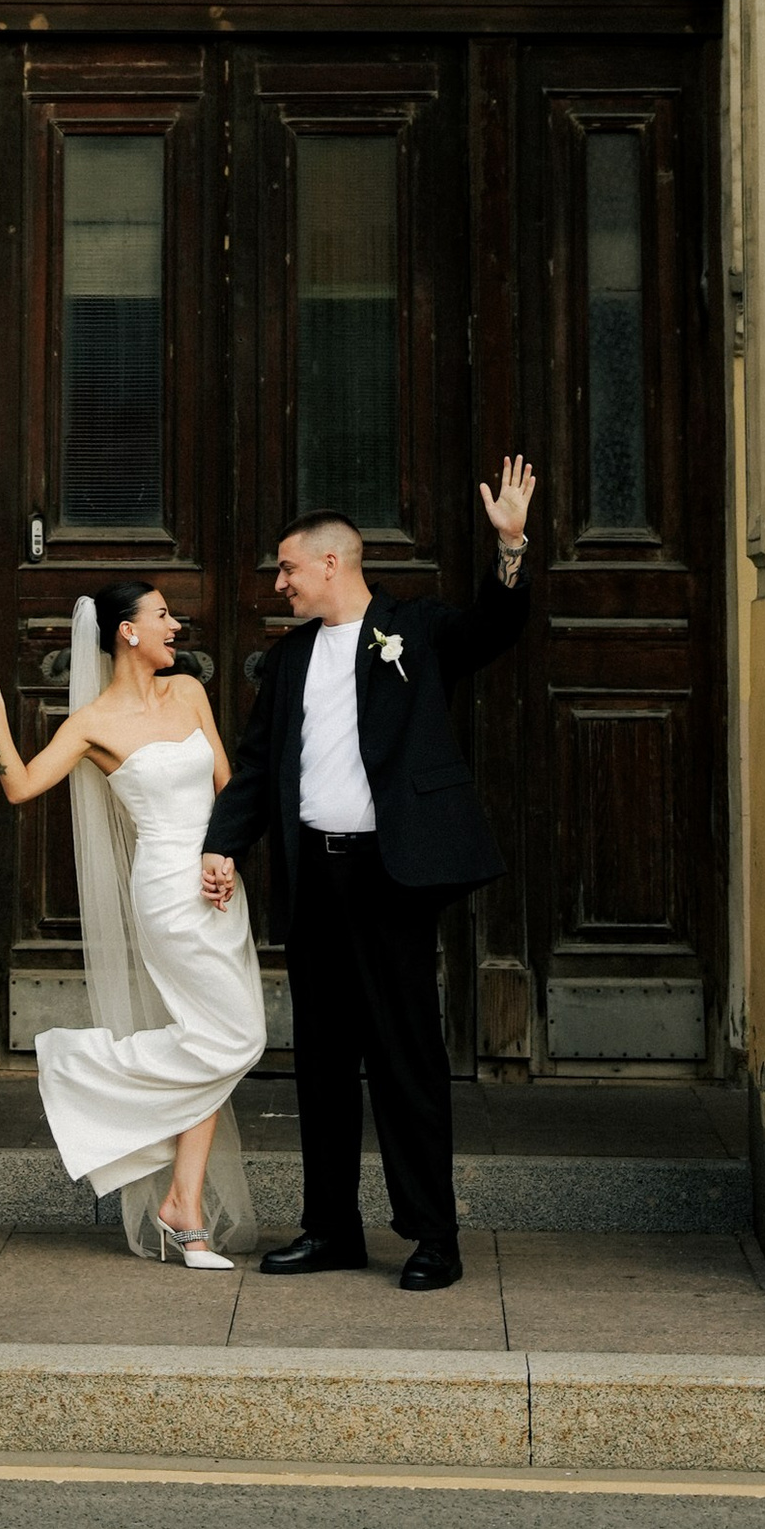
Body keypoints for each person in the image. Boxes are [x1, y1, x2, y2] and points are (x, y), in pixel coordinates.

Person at [199, 458, 536, 1293]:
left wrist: (512, 546)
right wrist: (223, 842)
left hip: (390, 876)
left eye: (286, 567)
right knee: (320, 1060)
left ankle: (433, 1235)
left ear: (330, 563)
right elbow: (254, 767)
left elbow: (493, 630)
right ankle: (329, 1228)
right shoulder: (286, 662)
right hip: (315, 875)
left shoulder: (411, 632)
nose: (278, 582)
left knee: (406, 1059)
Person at [0, 576, 266, 1266]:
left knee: (213, 1039)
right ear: (128, 630)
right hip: (166, 887)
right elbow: (20, 784)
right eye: (162, 615)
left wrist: (226, 855)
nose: (175, 626)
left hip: (218, 883)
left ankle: (183, 1209)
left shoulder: (189, 692)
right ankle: (77, 1067)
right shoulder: (93, 722)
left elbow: (229, 784)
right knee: (234, 1036)